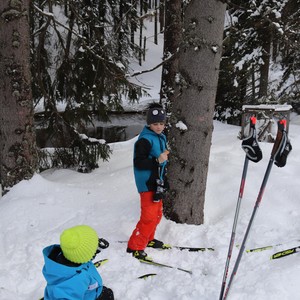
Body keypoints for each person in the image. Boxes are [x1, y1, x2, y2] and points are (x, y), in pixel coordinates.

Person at [127, 103, 171, 261]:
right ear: (149, 124)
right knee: (149, 217)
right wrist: (157, 160)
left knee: (157, 214)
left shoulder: (160, 137)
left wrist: (163, 178)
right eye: (155, 124)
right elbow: (139, 162)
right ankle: (135, 246)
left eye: (161, 123)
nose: (159, 127)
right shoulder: (145, 140)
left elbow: (161, 162)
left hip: (156, 183)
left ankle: (148, 239)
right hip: (147, 184)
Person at [42, 225, 114, 300]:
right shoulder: (76, 280)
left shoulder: (69, 255)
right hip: (86, 296)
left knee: (106, 293)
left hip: (89, 290)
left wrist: (93, 249)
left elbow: (80, 254)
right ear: (85, 255)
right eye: (93, 248)